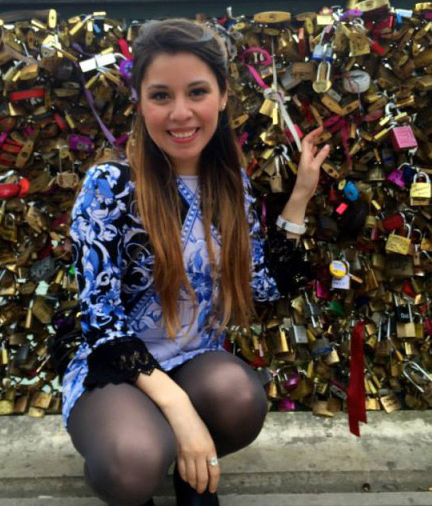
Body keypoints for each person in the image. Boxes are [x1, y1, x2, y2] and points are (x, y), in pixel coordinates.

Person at [61, 18, 331, 506]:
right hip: (115, 367)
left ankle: (191, 474)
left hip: (190, 358)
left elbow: (260, 288)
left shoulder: (231, 187)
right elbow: (100, 321)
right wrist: (180, 409)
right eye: (161, 95)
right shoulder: (110, 185)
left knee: (241, 400)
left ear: (224, 96)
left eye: (197, 92)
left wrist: (300, 200)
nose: (180, 113)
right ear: (140, 102)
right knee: (132, 462)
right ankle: (125, 459)